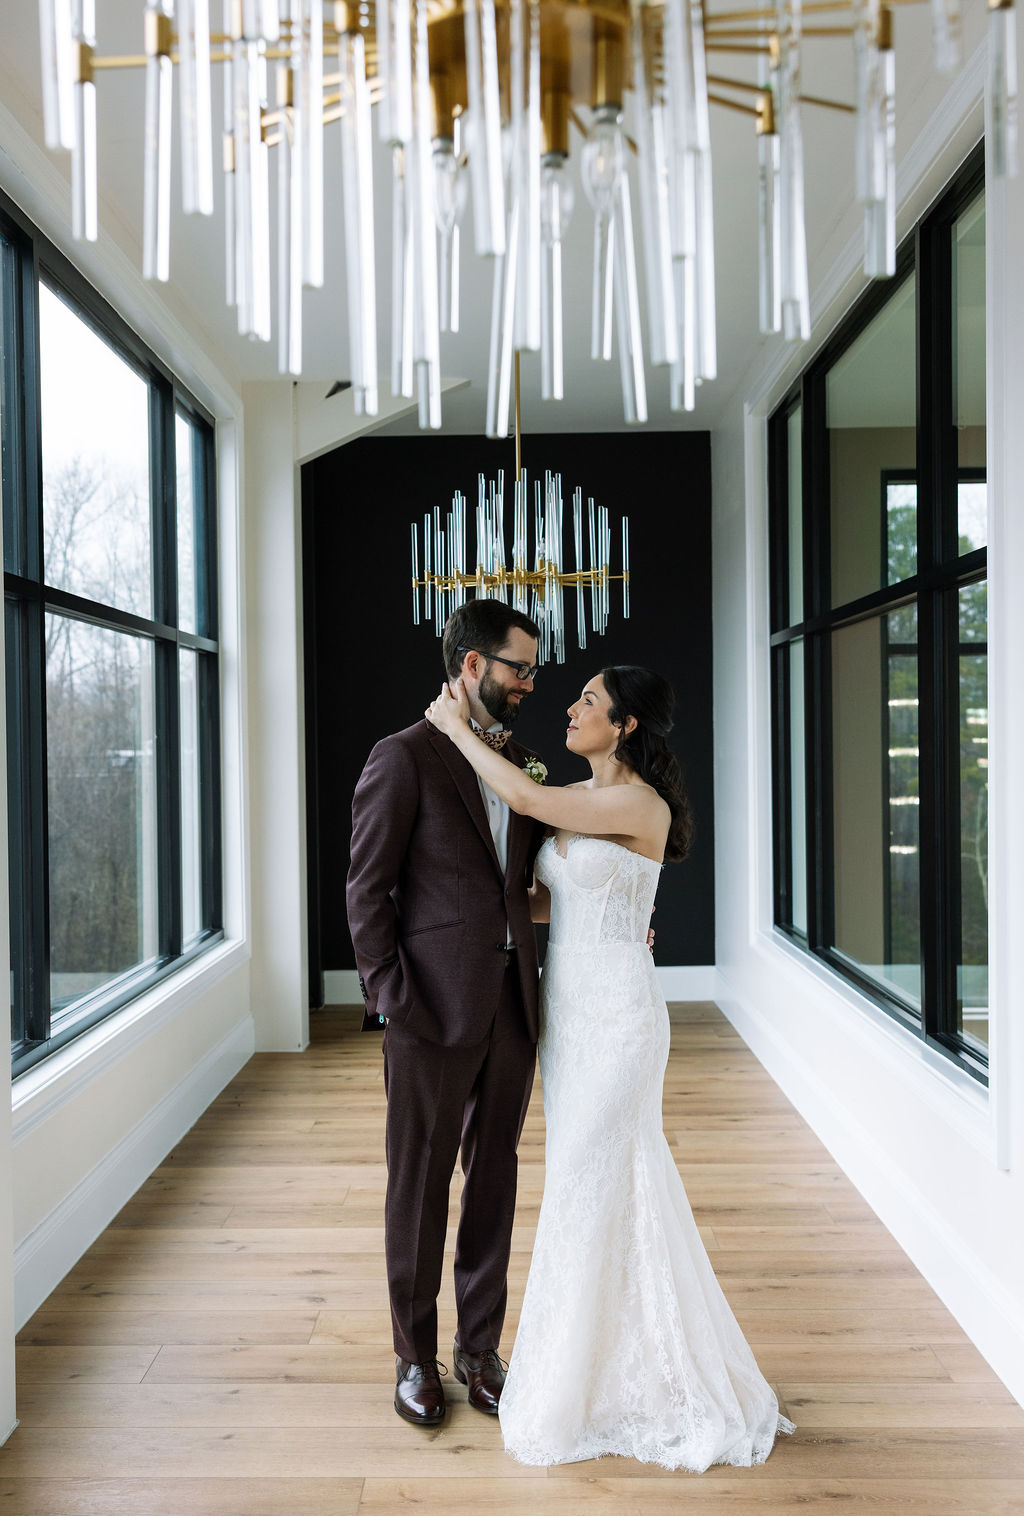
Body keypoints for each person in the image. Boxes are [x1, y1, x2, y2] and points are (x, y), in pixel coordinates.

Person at [425, 664, 795, 1471]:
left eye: (589, 701)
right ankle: (610, 1361)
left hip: (622, 1019)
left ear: (625, 725)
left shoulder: (637, 803)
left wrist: (455, 730)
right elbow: (554, 901)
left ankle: (589, 1380)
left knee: (589, 1182)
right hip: (571, 1019)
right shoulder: (584, 797)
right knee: (599, 1181)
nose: (571, 707)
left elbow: (525, 802)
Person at [346, 599, 545, 1428]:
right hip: (428, 1009)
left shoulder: (523, 764)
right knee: (419, 1185)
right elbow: (366, 892)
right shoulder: (403, 758)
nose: (532, 683)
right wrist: (394, 1000)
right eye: (519, 668)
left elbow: (534, 882)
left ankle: (478, 1348)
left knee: (492, 1176)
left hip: (514, 1006)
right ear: (473, 666)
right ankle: (413, 1357)